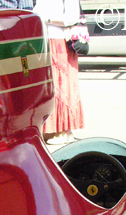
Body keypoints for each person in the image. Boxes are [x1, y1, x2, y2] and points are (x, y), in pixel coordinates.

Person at [34, 0, 84, 145]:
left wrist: (46, 19)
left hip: (60, 41)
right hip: (45, 38)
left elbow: (72, 17)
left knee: (61, 86)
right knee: (49, 86)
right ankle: (52, 130)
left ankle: (65, 131)